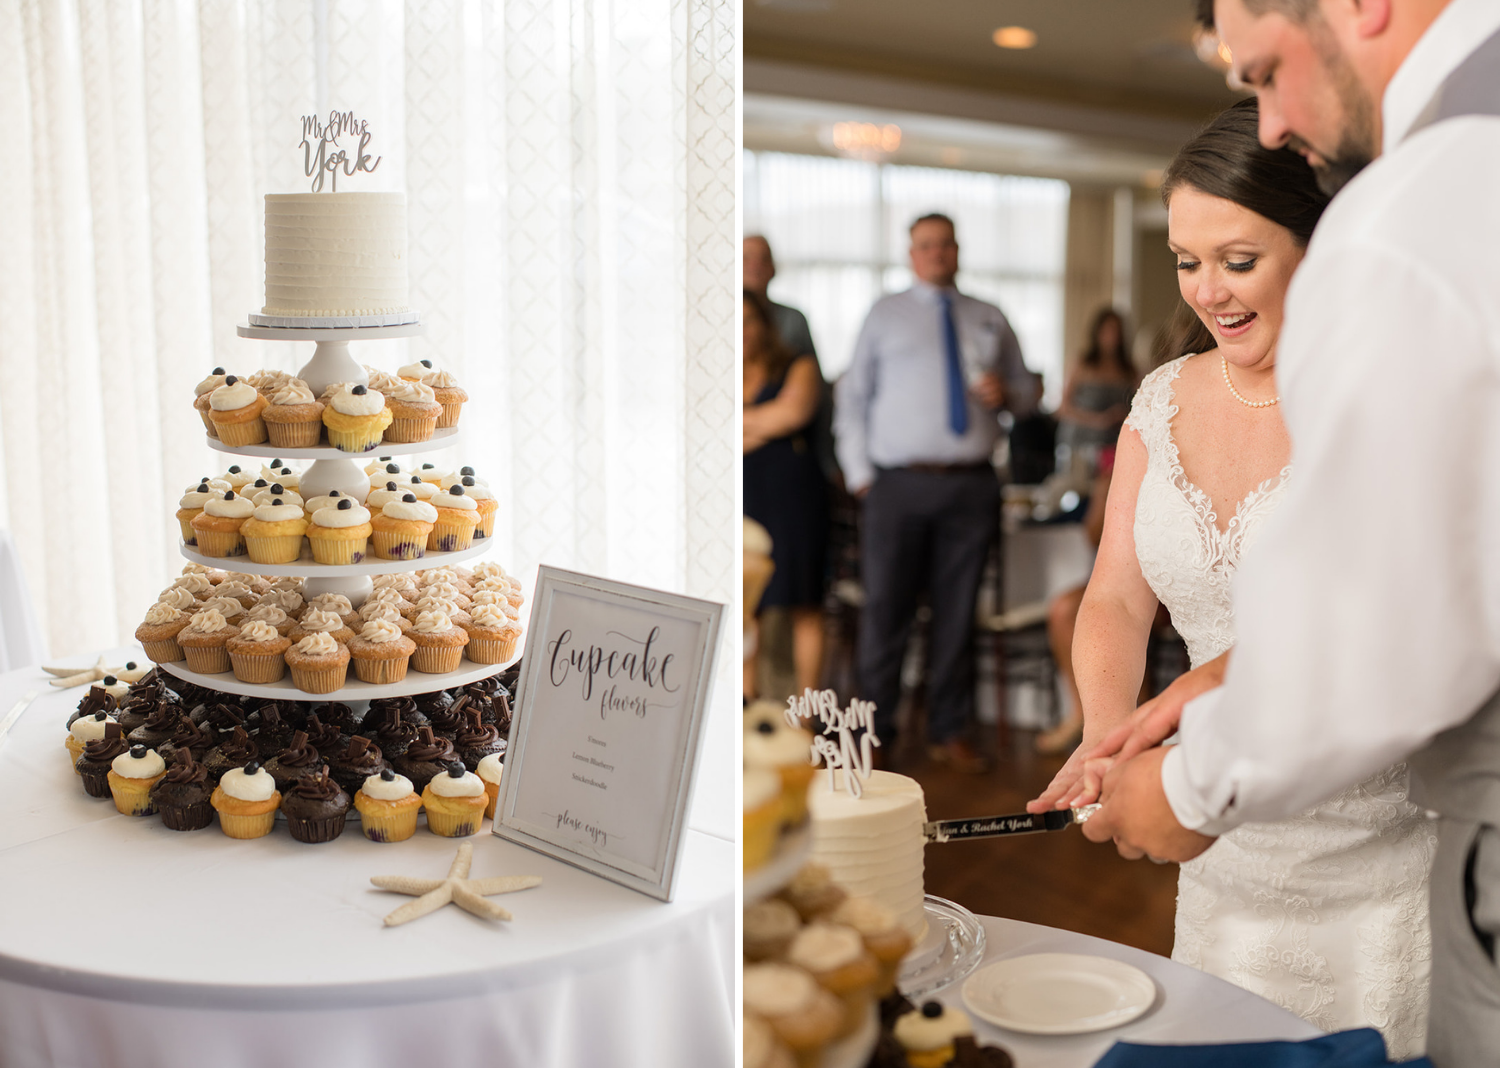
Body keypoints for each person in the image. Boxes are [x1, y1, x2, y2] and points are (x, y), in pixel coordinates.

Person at [1039, 1, 1500, 1061]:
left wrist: (1190, 759)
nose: (1205, 291)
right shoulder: (1161, 397)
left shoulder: (1401, 270)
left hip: (1377, 850)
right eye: (1185, 262)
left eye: (1237, 260)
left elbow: (1389, 599)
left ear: (1314, 243)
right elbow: (1114, 593)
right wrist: (1110, 742)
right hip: (1224, 856)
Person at [835, 213, 1037, 772]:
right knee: (885, 612)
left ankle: (950, 728)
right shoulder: (884, 315)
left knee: (957, 615)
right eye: (925, 245)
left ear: (957, 250)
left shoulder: (989, 316)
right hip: (896, 485)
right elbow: (852, 398)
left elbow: (1026, 394)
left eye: (945, 244)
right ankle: (872, 733)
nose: (936, 253)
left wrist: (1010, 393)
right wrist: (861, 478)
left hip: (971, 485)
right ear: (910, 254)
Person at [743, 290, 829, 699]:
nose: (741, 331)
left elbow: (794, 413)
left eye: (748, 320)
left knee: (802, 604)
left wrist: (736, 427)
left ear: (765, 324)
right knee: (747, 607)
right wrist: (766, 422)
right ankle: (744, 712)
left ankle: (805, 718)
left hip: (793, 498)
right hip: (741, 494)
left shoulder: (798, 363)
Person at [1054, 308, 1139, 478]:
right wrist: (1099, 420)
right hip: (1081, 444)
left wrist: (1121, 417)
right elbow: (1063, 408)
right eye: (1107, 330)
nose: (1112, 336)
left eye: (1116, 331)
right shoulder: (1082, 364)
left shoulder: (1129, 370)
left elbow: (1140, 407)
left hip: (1114, 444)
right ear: (1097, 332)